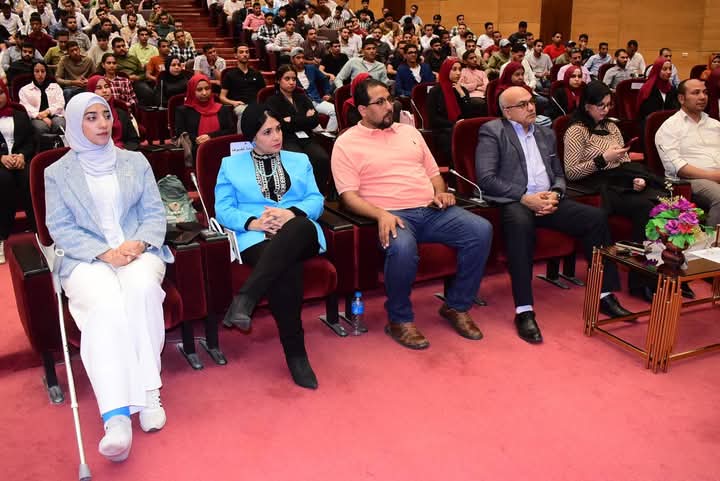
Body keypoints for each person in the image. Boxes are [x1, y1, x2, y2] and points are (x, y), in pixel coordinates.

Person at [44, 92, 173, 462]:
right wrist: (104, 253)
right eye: (91, 118)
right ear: (74, 124)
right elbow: (60, 228)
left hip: (137, 249)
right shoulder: (57, 173)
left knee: (142, 290)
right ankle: (115, 416)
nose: (103, 123)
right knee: (105, 306)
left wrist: (136, 244)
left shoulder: (135, 160)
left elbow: (154, 213)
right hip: (86, 258)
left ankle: (148, 392)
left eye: (106, 115)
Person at [332, 77, 493, 349]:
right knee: (404, 247)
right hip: (391, 215)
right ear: (362, 110)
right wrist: (380, 214)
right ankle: (399, 319)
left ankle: (456, 305)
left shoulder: (410, 132)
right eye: (380, 102)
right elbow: (348, 197)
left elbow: (434, 174)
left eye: (389, 99)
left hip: (429, 209)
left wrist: (440, 193)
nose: (389, 106)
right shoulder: (346, 143)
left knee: (481, 229)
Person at [475, 85, 632, 344]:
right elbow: (487, 178)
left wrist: (556, 193)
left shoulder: (545, 132)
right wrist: (525, 197)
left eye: (531, 102)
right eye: (523, 104)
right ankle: (524, 310)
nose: (531, 107)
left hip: (549, 198)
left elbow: (559, 174)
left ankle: (604, 295)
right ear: (507, 111)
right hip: (516, 201)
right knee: (519, 226)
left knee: (596, 218)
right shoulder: (492, 131)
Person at [215, 104, 325, 389]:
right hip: (256, 236)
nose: (277, 136)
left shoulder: (299, 159)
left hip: (301, 231)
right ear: (252, 137)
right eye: (267, 132)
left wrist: (290, 214)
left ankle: (246, 298)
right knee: (285, 269)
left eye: (278, 129)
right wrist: (254, 223)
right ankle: (296, 354)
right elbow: (223, 209)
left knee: (298, 226)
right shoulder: (230, 166)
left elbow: (316, 200)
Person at [564, 81, 670, 299]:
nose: (605, 110)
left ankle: (658, 272)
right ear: (587, 105)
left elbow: (625, 161)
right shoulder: (576, 130)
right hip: (595, 186)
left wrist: (637, 179)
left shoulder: (612, 127)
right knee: (645, 208)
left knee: (661, 203)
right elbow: (571, 172)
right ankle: (642, 281)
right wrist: (602, 159)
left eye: (608, 105)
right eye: (600, 105)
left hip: (620, 180)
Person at [657, 78, 720, 228]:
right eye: (696, 93)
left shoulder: (715, 125)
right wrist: (713, 176)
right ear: (681, 98)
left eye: (705, 92)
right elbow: (677, 167)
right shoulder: (670, 127)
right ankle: (713, 242)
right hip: (690, 180)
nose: (703, 97)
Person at [265, 65, 330, 192]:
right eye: (287, 79)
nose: (291, 82)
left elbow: (315, 120)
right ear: (278, 80)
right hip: (286, 138)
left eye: (294, 79)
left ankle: (318, 193)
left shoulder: (302, 97)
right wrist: (304, 118)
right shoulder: (272, 100)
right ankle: (298, 194)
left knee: (322, 158)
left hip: (306, 137)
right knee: (299, 160)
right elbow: (280, 125)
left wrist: (292, 119)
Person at [0, 79, 35, 264]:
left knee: (30, 179)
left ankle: (40, 232)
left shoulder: (20, 114)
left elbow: (30, 141)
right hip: (0, 163)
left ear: (6, 93)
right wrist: (1, 158)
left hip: (21, 160)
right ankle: (1, 236)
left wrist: (22, 155)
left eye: (0, 93)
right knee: (4, 182)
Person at [427, 58, 483, 162]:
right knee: (451, 137)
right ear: (446, 71)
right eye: (454, 69)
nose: (458, 73)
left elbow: (469, 114)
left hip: (461, 127)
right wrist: (454, 124)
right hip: (443, 130)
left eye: (460, 69)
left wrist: (462, 94)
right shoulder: (435, 91)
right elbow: (433, 119)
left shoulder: (462, 90)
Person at [175, 74, 234, 163]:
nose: (204, 93)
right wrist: (197, 140)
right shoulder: (183, 111)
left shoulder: (222, 109)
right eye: (199, 90)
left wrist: (211, 136)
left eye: (207, 88)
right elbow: (181, 133)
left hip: (222, 151)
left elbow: (231, 130)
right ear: (191, 91)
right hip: (196, 152)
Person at [219, 44, 266, 132]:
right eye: (241, 52)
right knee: (245, 112)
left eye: (247, 52)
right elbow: (222, 97)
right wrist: (233, 102)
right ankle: (242, 139)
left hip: (255, 104)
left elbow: (263, 93)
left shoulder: (257, 74)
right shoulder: (229, 75)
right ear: (235, 55)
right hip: (240, 106)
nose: (244, 54)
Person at [86, 75, 141, 151]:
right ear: (91, 92)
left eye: (106, 87)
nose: (104, 90)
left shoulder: (121, 113)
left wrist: (122, 152)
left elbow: (133, 140)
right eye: (99, 88)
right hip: (95, 154)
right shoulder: (86, 116)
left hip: (122, 152)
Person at [289, 48, 337, 132]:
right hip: (301, 105)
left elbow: (324, 80)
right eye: (298, 58)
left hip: (316, 100)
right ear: (292, 59)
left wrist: (327, 93)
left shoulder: (311, 68)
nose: (301, 60)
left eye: (303, 57)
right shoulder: (289, 72)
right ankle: (320, 135)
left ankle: (328, 134)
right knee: (315, 126)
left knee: (335, 111)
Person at [19, 60, 66, 138]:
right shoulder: (24, 90)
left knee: (60, 125)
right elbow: (25, 107)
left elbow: (60, 103)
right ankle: (49, 143)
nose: (40, 74)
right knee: (40, 128)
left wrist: (47, 112)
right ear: (32, 73)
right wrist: (40, 116)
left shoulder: (55, 86)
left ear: (46, 72)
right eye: (37, 71)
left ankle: (59, 143)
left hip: (55, 114)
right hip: (36, 117)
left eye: (43, 71)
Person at [637, 56, 679, 141]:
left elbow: (675, 109)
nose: (669, 72)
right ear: (657, 70)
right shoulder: (648, 89)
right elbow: (648, 113)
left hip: (669, 127)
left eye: (670, 69)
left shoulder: (672, 89)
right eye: (665, 69)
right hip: (650, 127)